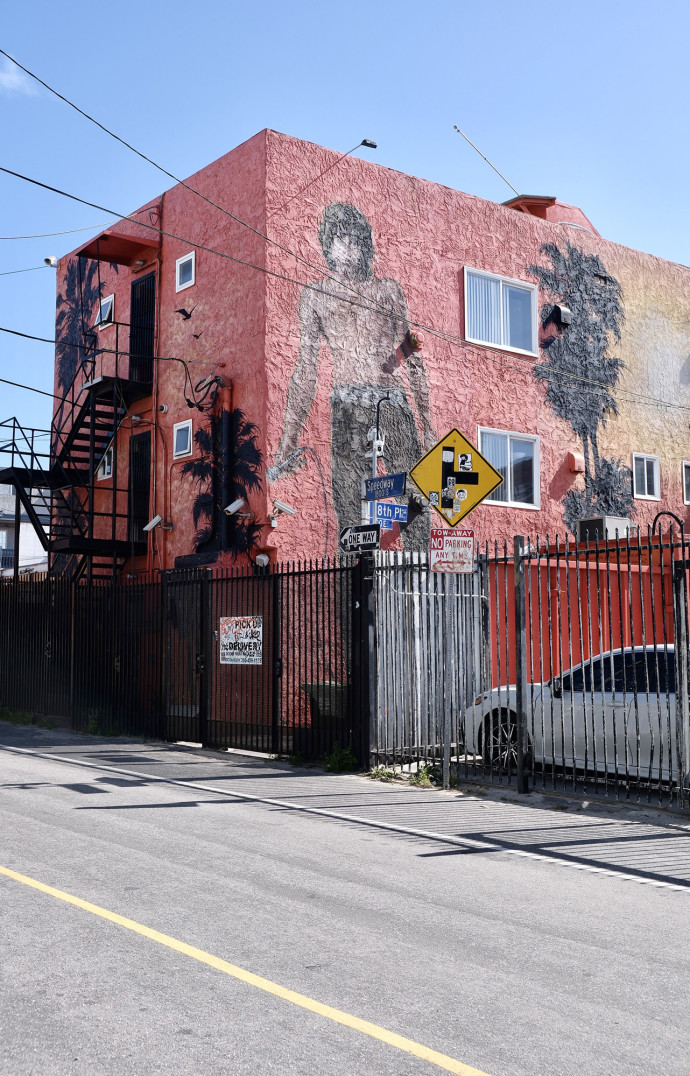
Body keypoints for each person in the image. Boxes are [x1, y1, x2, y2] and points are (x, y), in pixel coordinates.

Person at [270, 203, 436, 551]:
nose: (349, 246)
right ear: (328, 245)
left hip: (392, 404)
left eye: (356, 239)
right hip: (346, 409)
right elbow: (305, 369)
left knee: (417, 498)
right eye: (340, 239)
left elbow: (412, 356)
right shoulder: (315, 296)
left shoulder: (387, 290)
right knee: (350, 510)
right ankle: (360, 592)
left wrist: (429, 427)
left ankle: (426, 583)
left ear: (367, 246)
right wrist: (287, 440)